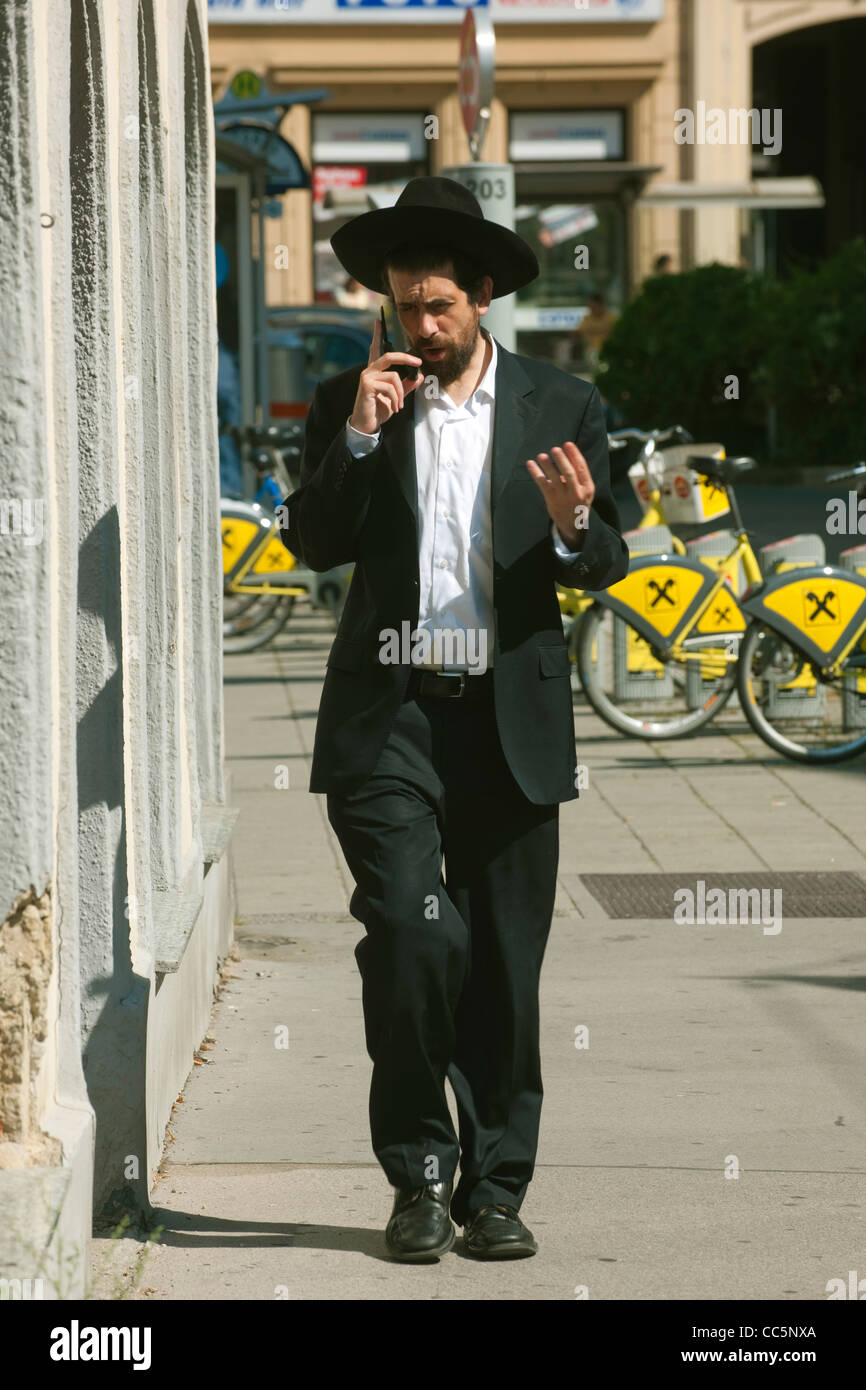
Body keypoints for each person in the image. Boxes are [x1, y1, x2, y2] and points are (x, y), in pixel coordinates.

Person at [281, 176, 628, 1263]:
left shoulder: (559, 406)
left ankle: (496, 1189)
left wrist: (576, 525)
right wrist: (359, 441)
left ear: (481, 297)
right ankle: (419, 1174)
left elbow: (601, 560)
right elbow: (311, 542)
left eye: (437, 307)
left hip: (507, 725)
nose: (418, 330)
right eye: (401, 308)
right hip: (390, 721)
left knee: (501, 968)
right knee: (415, 938)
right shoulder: (355, 397)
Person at [572, 291, 619, 373]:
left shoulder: (612, 318)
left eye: (593, 307)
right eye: (589, 307)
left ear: (601, 305)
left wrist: (592, 330)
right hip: (591, 352)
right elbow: (577, 332)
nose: (591, 310)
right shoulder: (587, 318)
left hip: (608, 352)